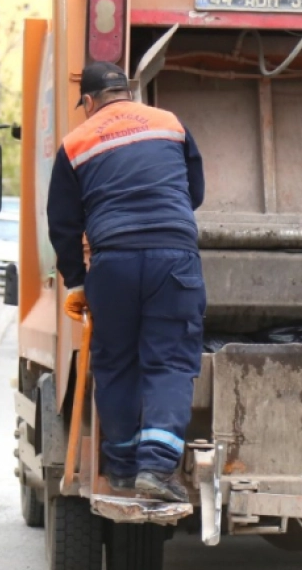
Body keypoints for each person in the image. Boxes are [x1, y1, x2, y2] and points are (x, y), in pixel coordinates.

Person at [47, 61, 206, 502]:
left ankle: (121, 468)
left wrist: (77, 282)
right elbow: (194, 192)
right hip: (173, 259)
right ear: (128, 94)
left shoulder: (76, 143)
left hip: (112, 263)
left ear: (92, 101)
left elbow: (62, 223)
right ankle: (156, 468)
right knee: (169, 361)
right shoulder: (169, 123)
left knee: (115, 363)